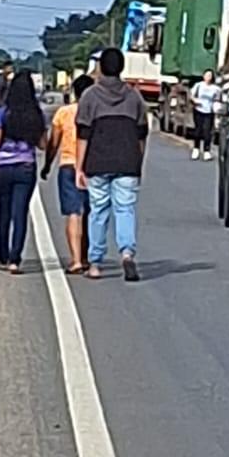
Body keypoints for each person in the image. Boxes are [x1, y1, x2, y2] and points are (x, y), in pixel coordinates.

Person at [75, 47, 148, 282]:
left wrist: (79, 166)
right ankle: (127, 253)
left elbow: (83, 134)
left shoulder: (89, 96)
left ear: (100, 68)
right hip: (127, 160)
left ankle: (95, 262)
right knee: (125, 208)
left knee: (98, 210)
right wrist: (138, 162)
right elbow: (141, 134)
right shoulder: (134, 96)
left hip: (97, 160)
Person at [0, 71, 47, 273]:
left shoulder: (3, 112)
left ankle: (2, 256)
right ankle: (15, 259)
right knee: (20, 213)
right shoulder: (37, 114)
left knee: (3, 212)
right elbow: (43, 144)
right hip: (26, 167)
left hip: (3, 168)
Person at [43, 73, 94, 274]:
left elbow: (53, 142)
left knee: (74, 213)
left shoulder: (64, 113)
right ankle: (87, 256)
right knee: (90, 213)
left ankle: (75, 260)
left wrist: (47, 165)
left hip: (68, 165)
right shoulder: (97, 112)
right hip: (92, 167)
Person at [190, 68, 222, 161]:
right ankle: (196, 149)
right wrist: (195, 101)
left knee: (207, 132)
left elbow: (217, 100)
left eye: (210, 76)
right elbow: (191, 95)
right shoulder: (198, 86)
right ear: (203, 76)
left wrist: (216, 107)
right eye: (207, 75)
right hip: (198, 110)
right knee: (198, 131)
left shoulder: (216, 89)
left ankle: (206, 151)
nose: (208, 77)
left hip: (209, 112)